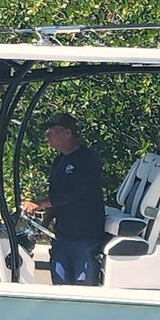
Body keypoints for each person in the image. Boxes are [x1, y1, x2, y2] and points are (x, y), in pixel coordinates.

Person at [21, 112, 104, 285]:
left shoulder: (88, 159)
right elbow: (55, 196)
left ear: (68, 133)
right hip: (62, 236)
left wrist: (38, 204)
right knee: (60, 285)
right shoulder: (59, 161)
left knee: (83, 288)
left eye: (53, 132)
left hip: (85, 236)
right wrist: (45, 224)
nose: (48, 136)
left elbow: (74, 194)